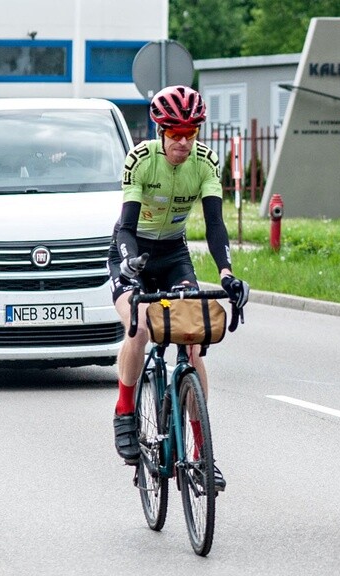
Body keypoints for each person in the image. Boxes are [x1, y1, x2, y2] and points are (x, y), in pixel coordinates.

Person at [107, 85, 249, 490]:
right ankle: (124, 411)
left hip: (172, 254)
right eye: (176, 134)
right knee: (139, 326)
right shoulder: (141, 159)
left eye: (192, 132)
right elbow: (127, 226)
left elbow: (216, 224)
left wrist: (225, 273)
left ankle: (203, 453)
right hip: (130, 251)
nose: (184, 142)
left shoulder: (204, 162)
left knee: (193, 337)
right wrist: (132, 265)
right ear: (160, 131)